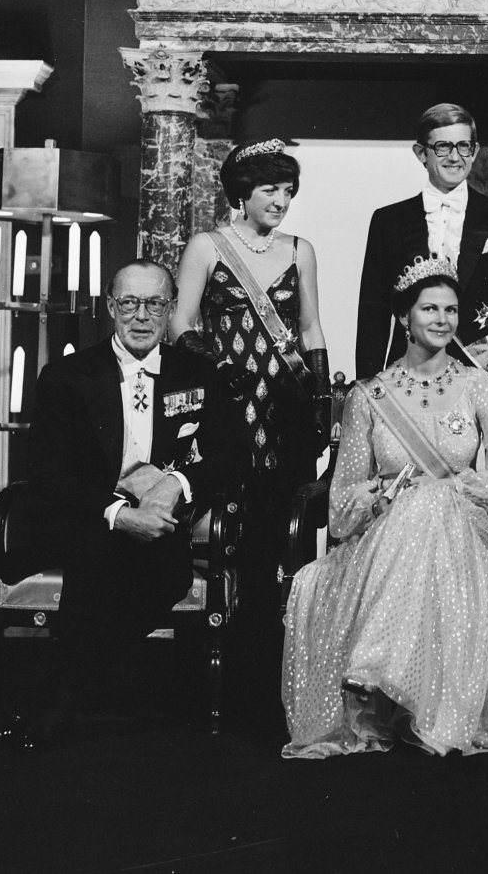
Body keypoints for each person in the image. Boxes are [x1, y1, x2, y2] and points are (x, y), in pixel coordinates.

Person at [282, 259, 488, 757]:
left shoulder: (477, 386)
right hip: (382, 539)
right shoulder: (368, 396)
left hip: (461, 532)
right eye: (429, 308)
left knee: (431, 499)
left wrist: (457, 490)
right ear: (404, 318)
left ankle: (377, 667)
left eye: (451, 310)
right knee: (417, 504)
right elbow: (342, 507)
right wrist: (376, 497)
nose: (442, 319)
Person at [18, 260, 248, 747]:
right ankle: (73, 694)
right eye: (129, 303)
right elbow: (48, 475)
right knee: (97, 554)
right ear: (110, 307)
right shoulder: (66, 376)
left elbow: (233, 455)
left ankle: (69, 687)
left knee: (164, 566)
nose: (141, 316)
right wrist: (120, 515)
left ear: (170, 309)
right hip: (91, 517)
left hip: (165, 524)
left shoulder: (199, 373)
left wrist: (179, 483)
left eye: (154, 304)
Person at [171, 139, 331, 626]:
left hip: (286, 405)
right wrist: (215, 368)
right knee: (235, 521)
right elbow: (180, 323)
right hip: (231, 400)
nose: (280, 202)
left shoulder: (300, 250)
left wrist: (321, 398)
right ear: (243, 192)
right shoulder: (207, 246)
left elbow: (309, 328)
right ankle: (236, 637)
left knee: (287, 522)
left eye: (288, 191)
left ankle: (283, 637)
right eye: (269, 190)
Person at [355, 103, 488, 428]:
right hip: (408, 376)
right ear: (421, 153)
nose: (455, 157)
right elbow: (373, 312)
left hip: (486, 375)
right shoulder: (388, 222)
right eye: (443, 146)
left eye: (463, 146)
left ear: (475, 150)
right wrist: (367, 391)